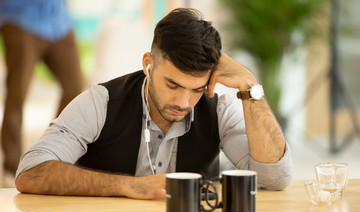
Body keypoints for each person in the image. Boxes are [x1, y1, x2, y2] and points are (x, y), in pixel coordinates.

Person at [15, 8, 292, 199]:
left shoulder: (219, 109)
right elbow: (31, 173)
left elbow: (275, 179)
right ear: (149, 63)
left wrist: (250, 87)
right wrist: (131, 187)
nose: (183, 102)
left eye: (195, 89)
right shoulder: (101, 102)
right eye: (172, 85)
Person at [0, 0, 85, 175]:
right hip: (21, 18)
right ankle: (11, 167)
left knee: (76, 89)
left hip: (59, 21)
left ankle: (53, 154)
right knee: (17, 95)